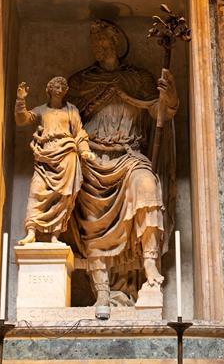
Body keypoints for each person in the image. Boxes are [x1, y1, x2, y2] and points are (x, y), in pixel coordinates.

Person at [68, 20, 178, 318]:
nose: (99, 48)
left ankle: (150, 261)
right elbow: (65, 122)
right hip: (92, 162)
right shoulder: (80, 83)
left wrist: (169, 95)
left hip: (129, 157)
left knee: (146, 185)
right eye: (95, 44)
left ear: (117, 44)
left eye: (104, 43)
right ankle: (102, 291)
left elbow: (161, 112)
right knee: (92, 221)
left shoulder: (138, 80)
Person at [15, 76, 96, 245]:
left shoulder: (71, 110)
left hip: (67, 156)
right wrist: (21, 99)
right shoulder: (42, 110)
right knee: (36, 190)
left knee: (63, 197)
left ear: (66, 91)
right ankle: (31, 231)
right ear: (49, 89)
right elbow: (22, 119)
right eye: (55, 86)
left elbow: (79, 133)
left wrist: (85, 151)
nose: (59, 89)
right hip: (45, 156)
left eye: (62, 87)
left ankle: (55, 236)